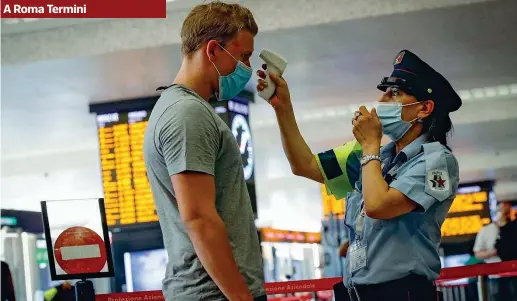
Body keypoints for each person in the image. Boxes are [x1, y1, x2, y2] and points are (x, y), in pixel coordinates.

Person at [257, 49, 462, 301]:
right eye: (384, 91)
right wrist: (283, 108)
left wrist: (369, 146)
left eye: (394, 93)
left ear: (424, 108)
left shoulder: (436, 161)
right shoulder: (379, 157)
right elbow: (305, 165)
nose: (381, 100)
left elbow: (378, 206)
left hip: (400, 294)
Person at [143, 2, 265, 301]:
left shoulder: (186, 109)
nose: (246, 68)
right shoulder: (187, 114)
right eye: (243, 56)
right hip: (214, 295)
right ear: (212, 50)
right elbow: (198, 218)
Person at [474, 200, 516, 301]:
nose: (504, 214)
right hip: (495, 276)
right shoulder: (486, 230)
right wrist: (493, 252)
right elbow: (478, 253)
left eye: (507, 211)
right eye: (502, 211)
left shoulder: (514, 228)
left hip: (514, 274)